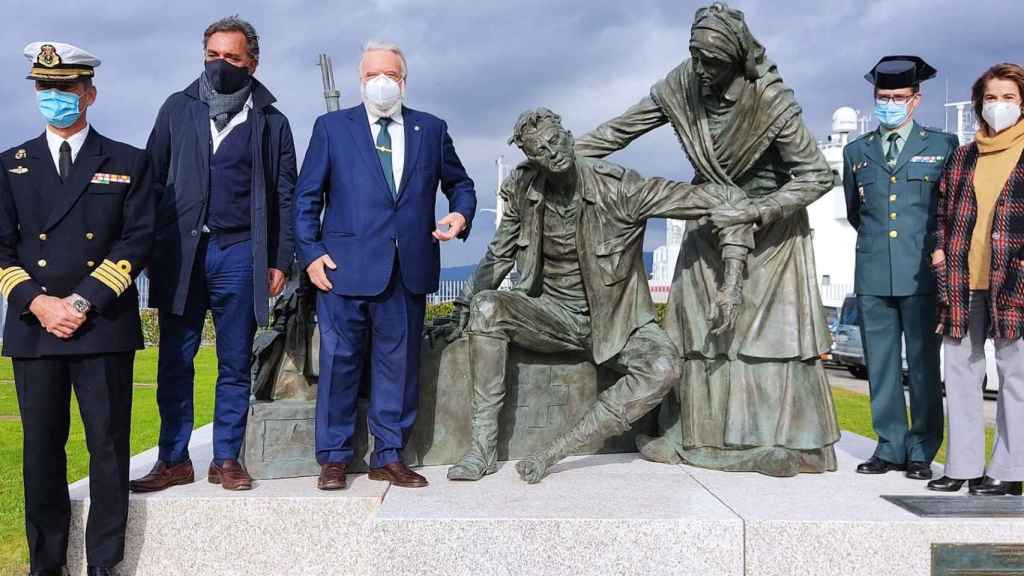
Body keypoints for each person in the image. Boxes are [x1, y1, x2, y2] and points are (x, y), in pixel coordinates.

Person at [575, 1, 839, 476]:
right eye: (695, 56)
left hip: (771, 232)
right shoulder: (683, 84)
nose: (700, 69)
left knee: (764, 342)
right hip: (707, 223)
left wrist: (759, 209)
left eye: (710, 61)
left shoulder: (771, 101)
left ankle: (786, 441)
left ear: (736, 58)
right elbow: (620, 130)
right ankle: (690, 434)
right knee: (694, 334)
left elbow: (817, 176)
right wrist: (561, 159)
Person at [446, 109, 753, 484]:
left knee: (663, 367)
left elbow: (719, 199)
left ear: (569, 136)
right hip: (552, 314)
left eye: (555, 141)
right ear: (531, 158)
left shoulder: (621, 188)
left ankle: (555, 451)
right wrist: (464, 303)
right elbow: (499, 255)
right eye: (539, 150)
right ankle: (482, 448)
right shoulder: (524, 190)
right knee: (488, 307)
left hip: (617, 322)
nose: (552, 153)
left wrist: (734, 273)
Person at [1, 42, 156, 576]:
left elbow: (137, 242)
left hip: (102, 326)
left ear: (89, 93)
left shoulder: (128, 161)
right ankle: (45, 566)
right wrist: (39, 303)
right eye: (45, 88)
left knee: (108, 452)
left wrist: (82, 301)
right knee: (41, 453)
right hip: (35, 328)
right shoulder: (10, 165)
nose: (54, 97)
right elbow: (0, 248)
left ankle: (103, 565)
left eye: (65, 88)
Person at [294, 41, 477, 490]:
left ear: (403, 81)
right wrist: (312, 253)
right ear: (361, 81)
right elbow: (306, 198)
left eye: (390, 75)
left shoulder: (430, 130)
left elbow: (461, 184)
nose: (381, 82)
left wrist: (460, 214)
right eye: (373, 74)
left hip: (406, 269)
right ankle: (334, 458)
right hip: (341, 271)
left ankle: (389, 455)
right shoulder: (332, 129)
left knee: (398, 369)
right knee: (339, 364)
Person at [131, 16, 297, 493]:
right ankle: (173, 459)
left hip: (240, 252)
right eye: (213, 56)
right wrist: (143, 249)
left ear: (252, 62)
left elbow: (286, 193)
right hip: (180, 255)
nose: (220, 65)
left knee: (233, 361)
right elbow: (150, 180)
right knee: (175, 361)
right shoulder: (176, 109)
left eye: (231, 57)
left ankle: (226, 457)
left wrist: (280, 260)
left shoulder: (271, 122)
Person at [843, 56, 958, 480]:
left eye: (898, 97)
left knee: (925, 365)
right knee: (882, 364)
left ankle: (922, 449)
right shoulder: (857, 151)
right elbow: (857, 213)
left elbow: (949, 210)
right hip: (873, 272)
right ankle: (889, 445)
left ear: (916, 100)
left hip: (922, 273)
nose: (889, 104)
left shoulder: (942, 146)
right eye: (883, 97)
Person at [928, 63, 1024, 496]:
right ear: (979, 104)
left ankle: (1010, 470)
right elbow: (942, 213)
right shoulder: (964, 155)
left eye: (1008, 97)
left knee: (1015, 377)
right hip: (963, 283)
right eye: (991, 97)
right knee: (961, 374)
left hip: (1015, 283)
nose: (998, 105)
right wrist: (938, 250)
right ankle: (962, 466)